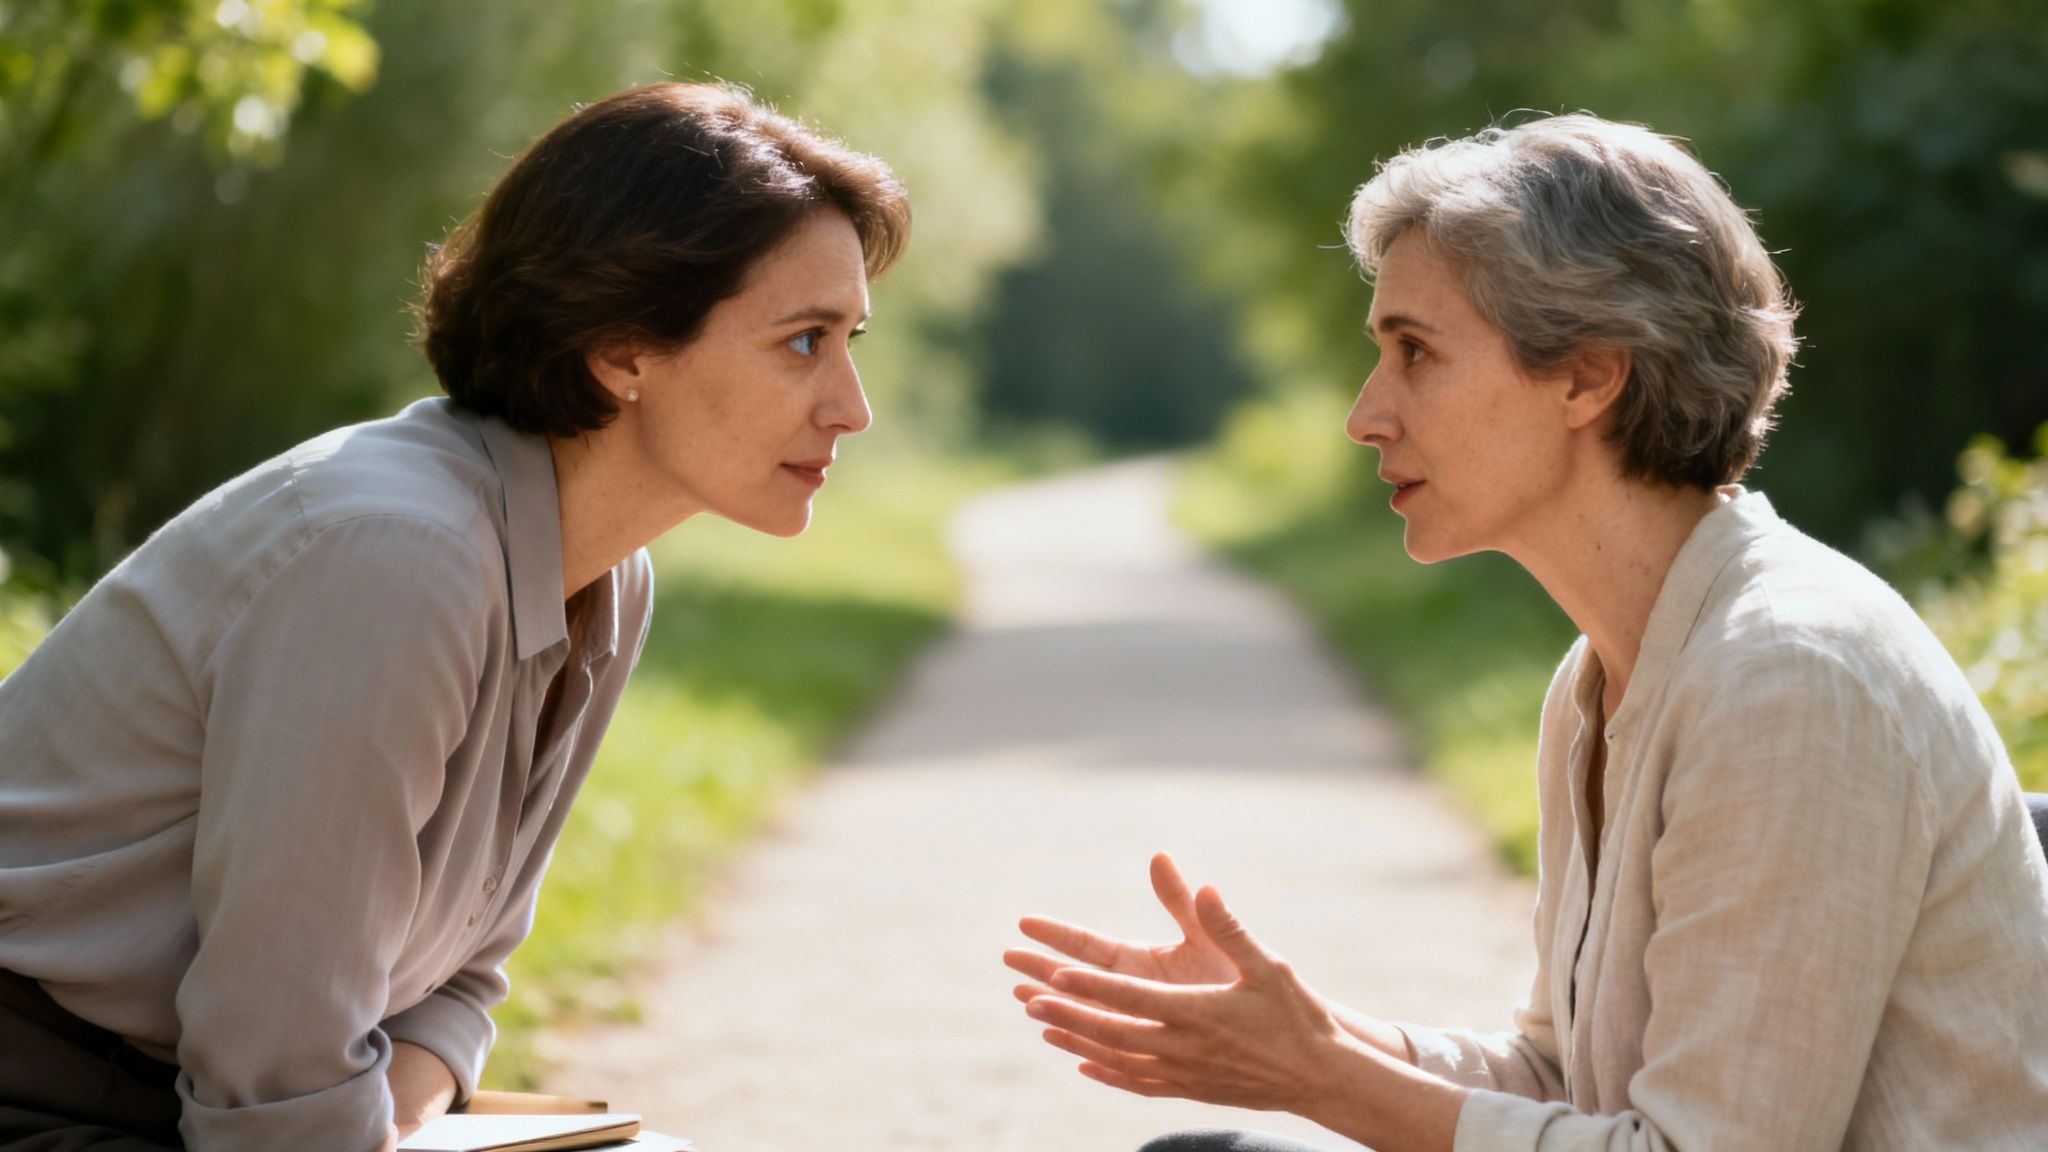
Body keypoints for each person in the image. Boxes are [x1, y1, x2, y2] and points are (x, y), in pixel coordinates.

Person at [1005, 114, 2048, 1150]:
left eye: (1414, 352)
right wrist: (1298, 1037)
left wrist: (1317, 1077)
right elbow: (1561, 1080)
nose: (1365, 413)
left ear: (1588, 376)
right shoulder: (1603, 675)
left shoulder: (1787, 679)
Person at [0, 81, 907, 1151]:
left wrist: (402, 1117)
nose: (851, 404)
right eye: (803, 341)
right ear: (620, 350)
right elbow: (273, 1088)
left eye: (849, 337)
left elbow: (459, 979)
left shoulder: (605, 574)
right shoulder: (395, 558)